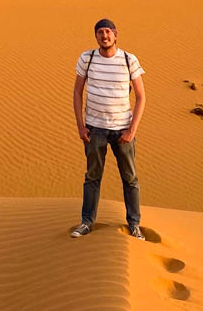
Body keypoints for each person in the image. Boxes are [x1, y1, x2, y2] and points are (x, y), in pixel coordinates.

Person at [70, 18, 146, 239]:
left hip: (123, 130)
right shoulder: (88, 58)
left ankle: (134, 224)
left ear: (115, 34)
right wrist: (80, 126)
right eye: (100, 33)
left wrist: (132, 130)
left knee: (130, 178)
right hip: (95, 129)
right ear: (96, 36)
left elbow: (141, 97)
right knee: (92, 176)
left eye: (107, 32)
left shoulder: (128, 60)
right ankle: (86, 222)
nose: (104, 36)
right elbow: (77, 93)